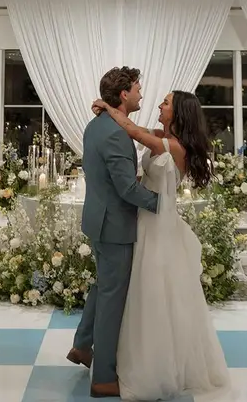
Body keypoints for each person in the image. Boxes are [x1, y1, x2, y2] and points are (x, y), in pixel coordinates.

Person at [91, 89, 232, 402]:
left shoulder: (174, 147)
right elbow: (136, 129)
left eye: (165, 103)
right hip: (145, 218)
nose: (159, 104)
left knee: (153, 290)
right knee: (140, 288)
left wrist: (108, 107)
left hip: (158, 223)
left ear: (178, 112)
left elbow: (131, 130)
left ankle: (154, 365)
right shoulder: (160, 136)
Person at [67, 67, 159, 399]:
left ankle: (82, 345)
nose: (141, 93)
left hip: (99, 221)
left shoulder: (97, 125)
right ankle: (104, 378)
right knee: (112, 300)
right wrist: (162, 203)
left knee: (104, 287)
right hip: (115, 226)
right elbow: (126, 189)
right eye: (137, 88)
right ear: (123, 94)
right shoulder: (116, 134)